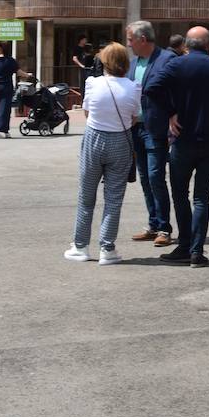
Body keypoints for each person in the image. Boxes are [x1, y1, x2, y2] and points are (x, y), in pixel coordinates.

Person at [144, 26, 209, 267]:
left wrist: (172, 112)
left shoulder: (176, 65)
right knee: (201, 197)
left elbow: (151, 89)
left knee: (180, 194)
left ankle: (185, 246)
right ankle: (196, 251)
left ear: (186, 45)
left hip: (184, 139)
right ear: (208, 45)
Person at [65, 42, 140, 265]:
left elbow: (88, 113)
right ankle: (107, 248)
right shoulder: (134, 86)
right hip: (121, 141)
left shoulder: (92, 83)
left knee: (86, 197)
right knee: (114, 199)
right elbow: (134, 117)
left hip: (94, 138)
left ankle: (80, 246)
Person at [125, 20, 175, 247]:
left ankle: (165, 227)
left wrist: (174, 115)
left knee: (156, 177)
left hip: (156, 128)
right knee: (145, 178)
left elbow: (176, 92)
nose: (128, 44)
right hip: (137, 129)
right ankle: (153, 224)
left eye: (130, 40)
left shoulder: (167, 60)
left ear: (142, 39)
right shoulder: (133, 63)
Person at [0, 42, 20, 138]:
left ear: (1, 49)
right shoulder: (10, 61)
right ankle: (1, 129)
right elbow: (18, 71)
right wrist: (28, 75)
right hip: (6, 86)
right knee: (4, 108)